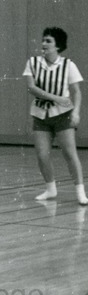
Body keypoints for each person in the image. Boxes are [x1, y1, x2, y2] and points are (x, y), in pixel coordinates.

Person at [23, 27, 88, 205]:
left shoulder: (68, 65)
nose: (43, 44)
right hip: (40, 114)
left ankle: (80, 192)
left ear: (58, 46)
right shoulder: (33, 62)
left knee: (69, 153)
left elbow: (77, 92)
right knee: (42, 154)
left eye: (48, 41)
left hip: (62, 115)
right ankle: (50, 189)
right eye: (43, 40)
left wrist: (75, 112)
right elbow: (31, 88)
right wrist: (57, 98)